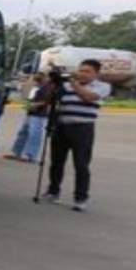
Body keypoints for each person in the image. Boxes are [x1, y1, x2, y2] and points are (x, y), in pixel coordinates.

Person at [46, 59, 111, 212]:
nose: (82, 73)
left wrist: (73, 83)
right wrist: (54, 83)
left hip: (82, 129)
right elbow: (51, 100)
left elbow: (88, 97)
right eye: (81, 70)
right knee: (56, 162)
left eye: (87, 71)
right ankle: (53, 191)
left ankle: (80, 198)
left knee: (81, 164)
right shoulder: (66, 85)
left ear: (96, 73)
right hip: (62, 127)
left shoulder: (103, 86)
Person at [5, 72, 50, 163]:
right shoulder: (36, 86)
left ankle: (30, 155)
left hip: (39, 114)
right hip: (31, 112)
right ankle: (17, 152)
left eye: (39, 75)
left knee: (34, 134)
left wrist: (33, 105)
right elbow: (29, 98)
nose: (36, 76)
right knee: (23, 132)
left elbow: (46, 101)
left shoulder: (46, 88)